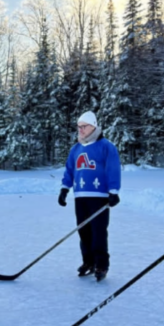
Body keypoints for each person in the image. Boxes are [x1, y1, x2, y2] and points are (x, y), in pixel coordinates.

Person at [58, 110, 121, 281]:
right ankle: (88, 262)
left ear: (93, 126)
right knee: (83, 231)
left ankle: (101, 264)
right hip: (80, 196)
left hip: (99, 196)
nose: (80, 130)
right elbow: (70, 170)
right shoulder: (76, 148)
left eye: (83, 126)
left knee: (98, 232)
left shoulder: (106, 146)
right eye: (78, 127)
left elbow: (113, 169)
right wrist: (64, 189)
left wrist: (113, 191)